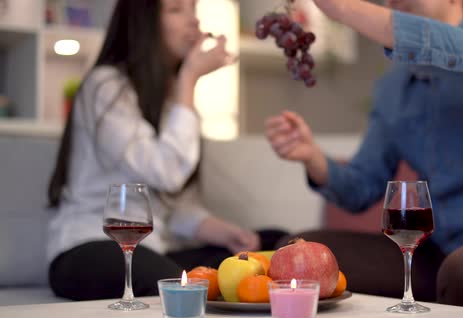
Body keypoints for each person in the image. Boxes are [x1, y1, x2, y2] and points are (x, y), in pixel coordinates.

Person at [265, 0, 463, 312]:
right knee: (299, 255)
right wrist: (313, 158)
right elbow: (362, 186)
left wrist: (345, 8)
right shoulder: (394, 88)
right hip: (442, 256)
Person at [47, 0, 285, 301]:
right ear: (142, 24)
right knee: (177, 285)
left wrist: (220, 230)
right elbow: (166, 173)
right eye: (176, 10)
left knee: (272, 244)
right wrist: (189, 80)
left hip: (153, 248)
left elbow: (166, 206)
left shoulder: (169, 97)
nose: (193, 21)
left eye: (193, 9)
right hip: (89, 248)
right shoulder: (106, 87)